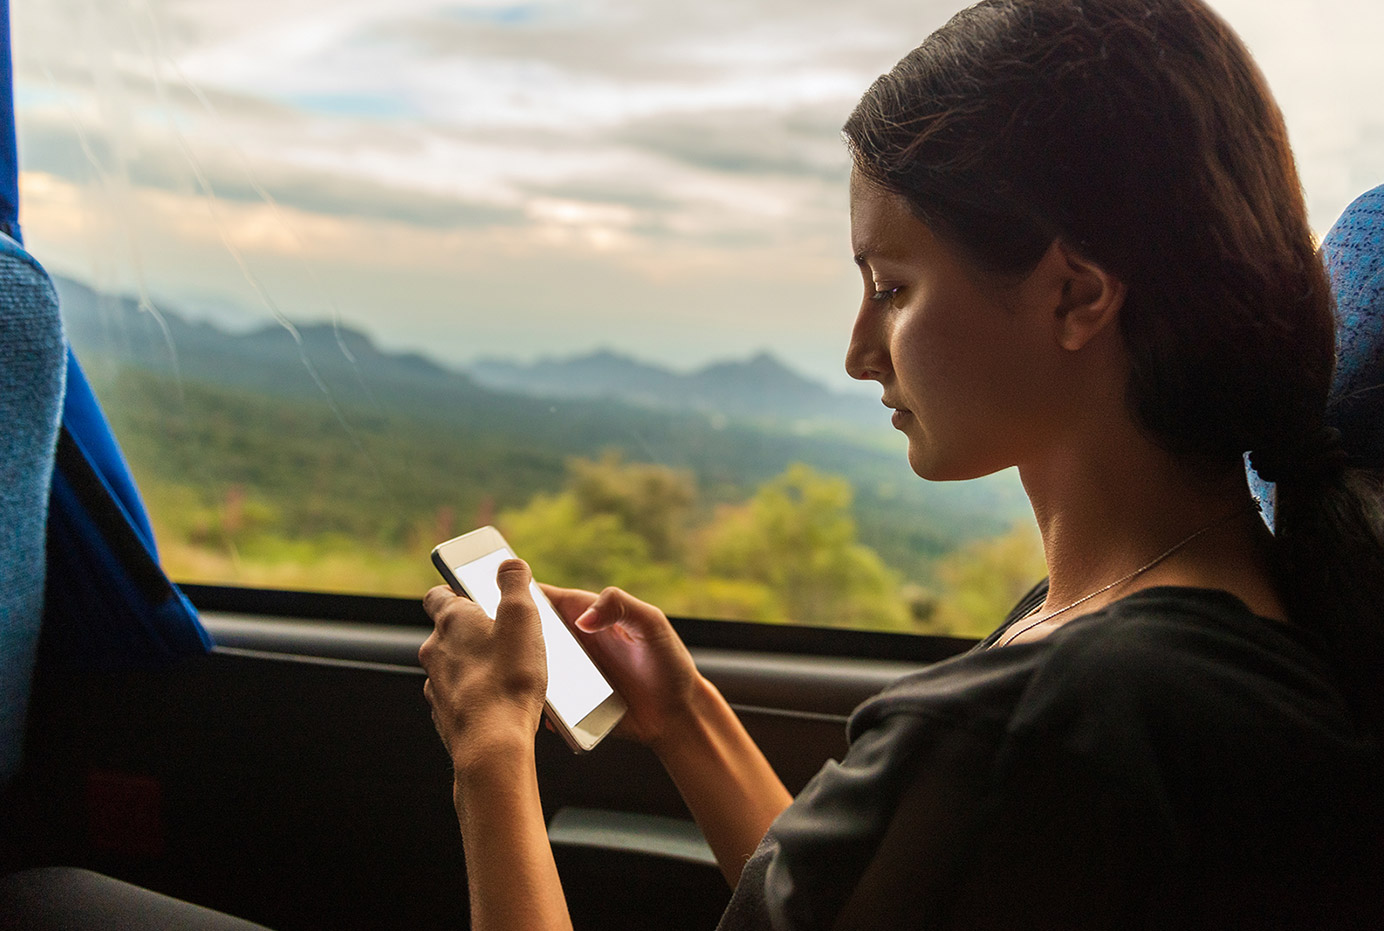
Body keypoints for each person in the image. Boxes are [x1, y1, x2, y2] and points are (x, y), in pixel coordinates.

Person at [417, 0, 1384, 927]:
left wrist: (491, 753)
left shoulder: (1049, 720)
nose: (858, 350)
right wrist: (688, 717)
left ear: (1076, 295)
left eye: (892, 287)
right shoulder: (1206, 617)